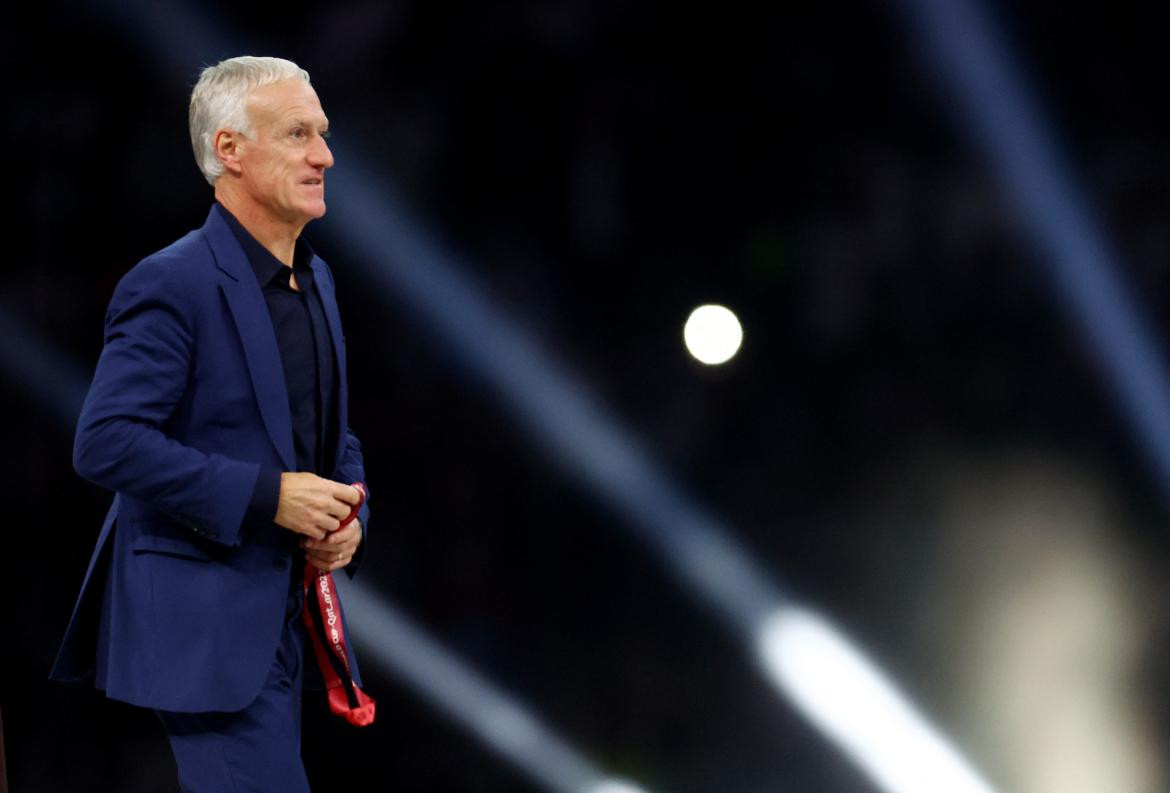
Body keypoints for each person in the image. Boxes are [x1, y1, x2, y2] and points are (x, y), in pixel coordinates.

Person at [50, 55, 372, 792]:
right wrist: (270, 496)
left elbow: (333, 439)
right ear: (230, 149)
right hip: (200, 627)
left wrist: (352, 513)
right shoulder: (172, 282)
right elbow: (105, 440)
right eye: (297, 133)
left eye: (321, 132)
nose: (324, 153)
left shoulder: (316, 277)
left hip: (284, 619)